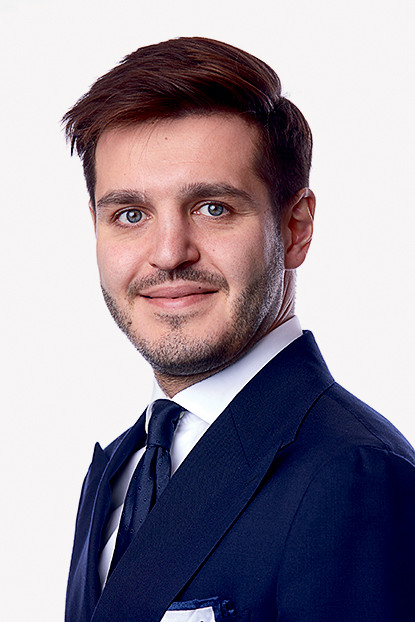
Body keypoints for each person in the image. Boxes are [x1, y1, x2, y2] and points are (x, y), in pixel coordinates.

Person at [63, 37, 415, 622]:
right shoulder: (121, 466)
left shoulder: (354, 476)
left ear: (296, 228)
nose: (168, 253)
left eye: (213, 208)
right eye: (130, 214)